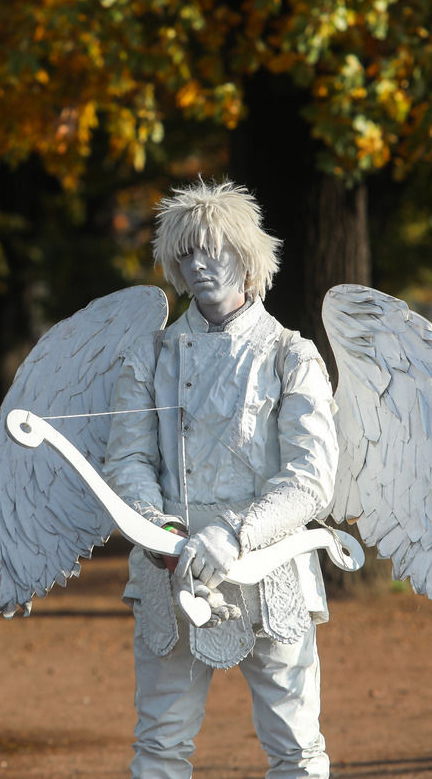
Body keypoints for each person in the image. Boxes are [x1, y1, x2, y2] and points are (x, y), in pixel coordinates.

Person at [102, 180, 339, 778]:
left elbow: (310, 479)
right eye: (186, 252)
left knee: (296, 746)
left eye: (214, 249)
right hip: (169, 567)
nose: (200, 263)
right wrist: (162, 531)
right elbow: (126, 460)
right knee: (160, 745)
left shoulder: (292, 354)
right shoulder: (148, 355)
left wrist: (235, 534)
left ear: (248, 255)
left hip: (271, 567)